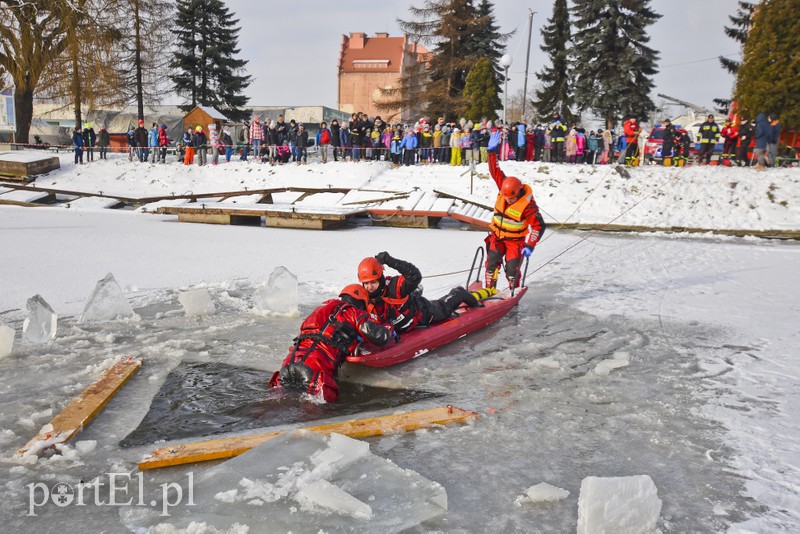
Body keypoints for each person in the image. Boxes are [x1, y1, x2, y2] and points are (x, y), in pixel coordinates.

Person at [269, 284, 393, 403]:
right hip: (315, 366)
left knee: (278, 404)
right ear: (361, 302)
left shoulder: (321, 309)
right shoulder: (354, 312)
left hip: (289, 363)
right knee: (316, 412)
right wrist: (388, 328)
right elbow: (380, 337)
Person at [357, 252, 479, 335]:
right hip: (399, 318)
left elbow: (415, 276)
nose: (369, 287)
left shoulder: (394, 286)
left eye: (373, 282)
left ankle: (459, 293)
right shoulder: (364, 296)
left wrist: (390, 261)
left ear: (380, 278)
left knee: (443, 309)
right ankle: (415, 291)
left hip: (421, 311)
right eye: (366, 283)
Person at [484, 133, 545, 289]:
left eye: (510, 199)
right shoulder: (504, 187)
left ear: (517, 193)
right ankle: (489, 289)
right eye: (505, 198)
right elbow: (494, 171)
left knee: (512, 269)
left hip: (515, 242)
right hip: (497, 236)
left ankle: (513, 289)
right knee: (491, 264)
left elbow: (538, 226)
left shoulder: (528, 206)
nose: (507, 201)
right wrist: (491, 152)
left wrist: (530, 245)